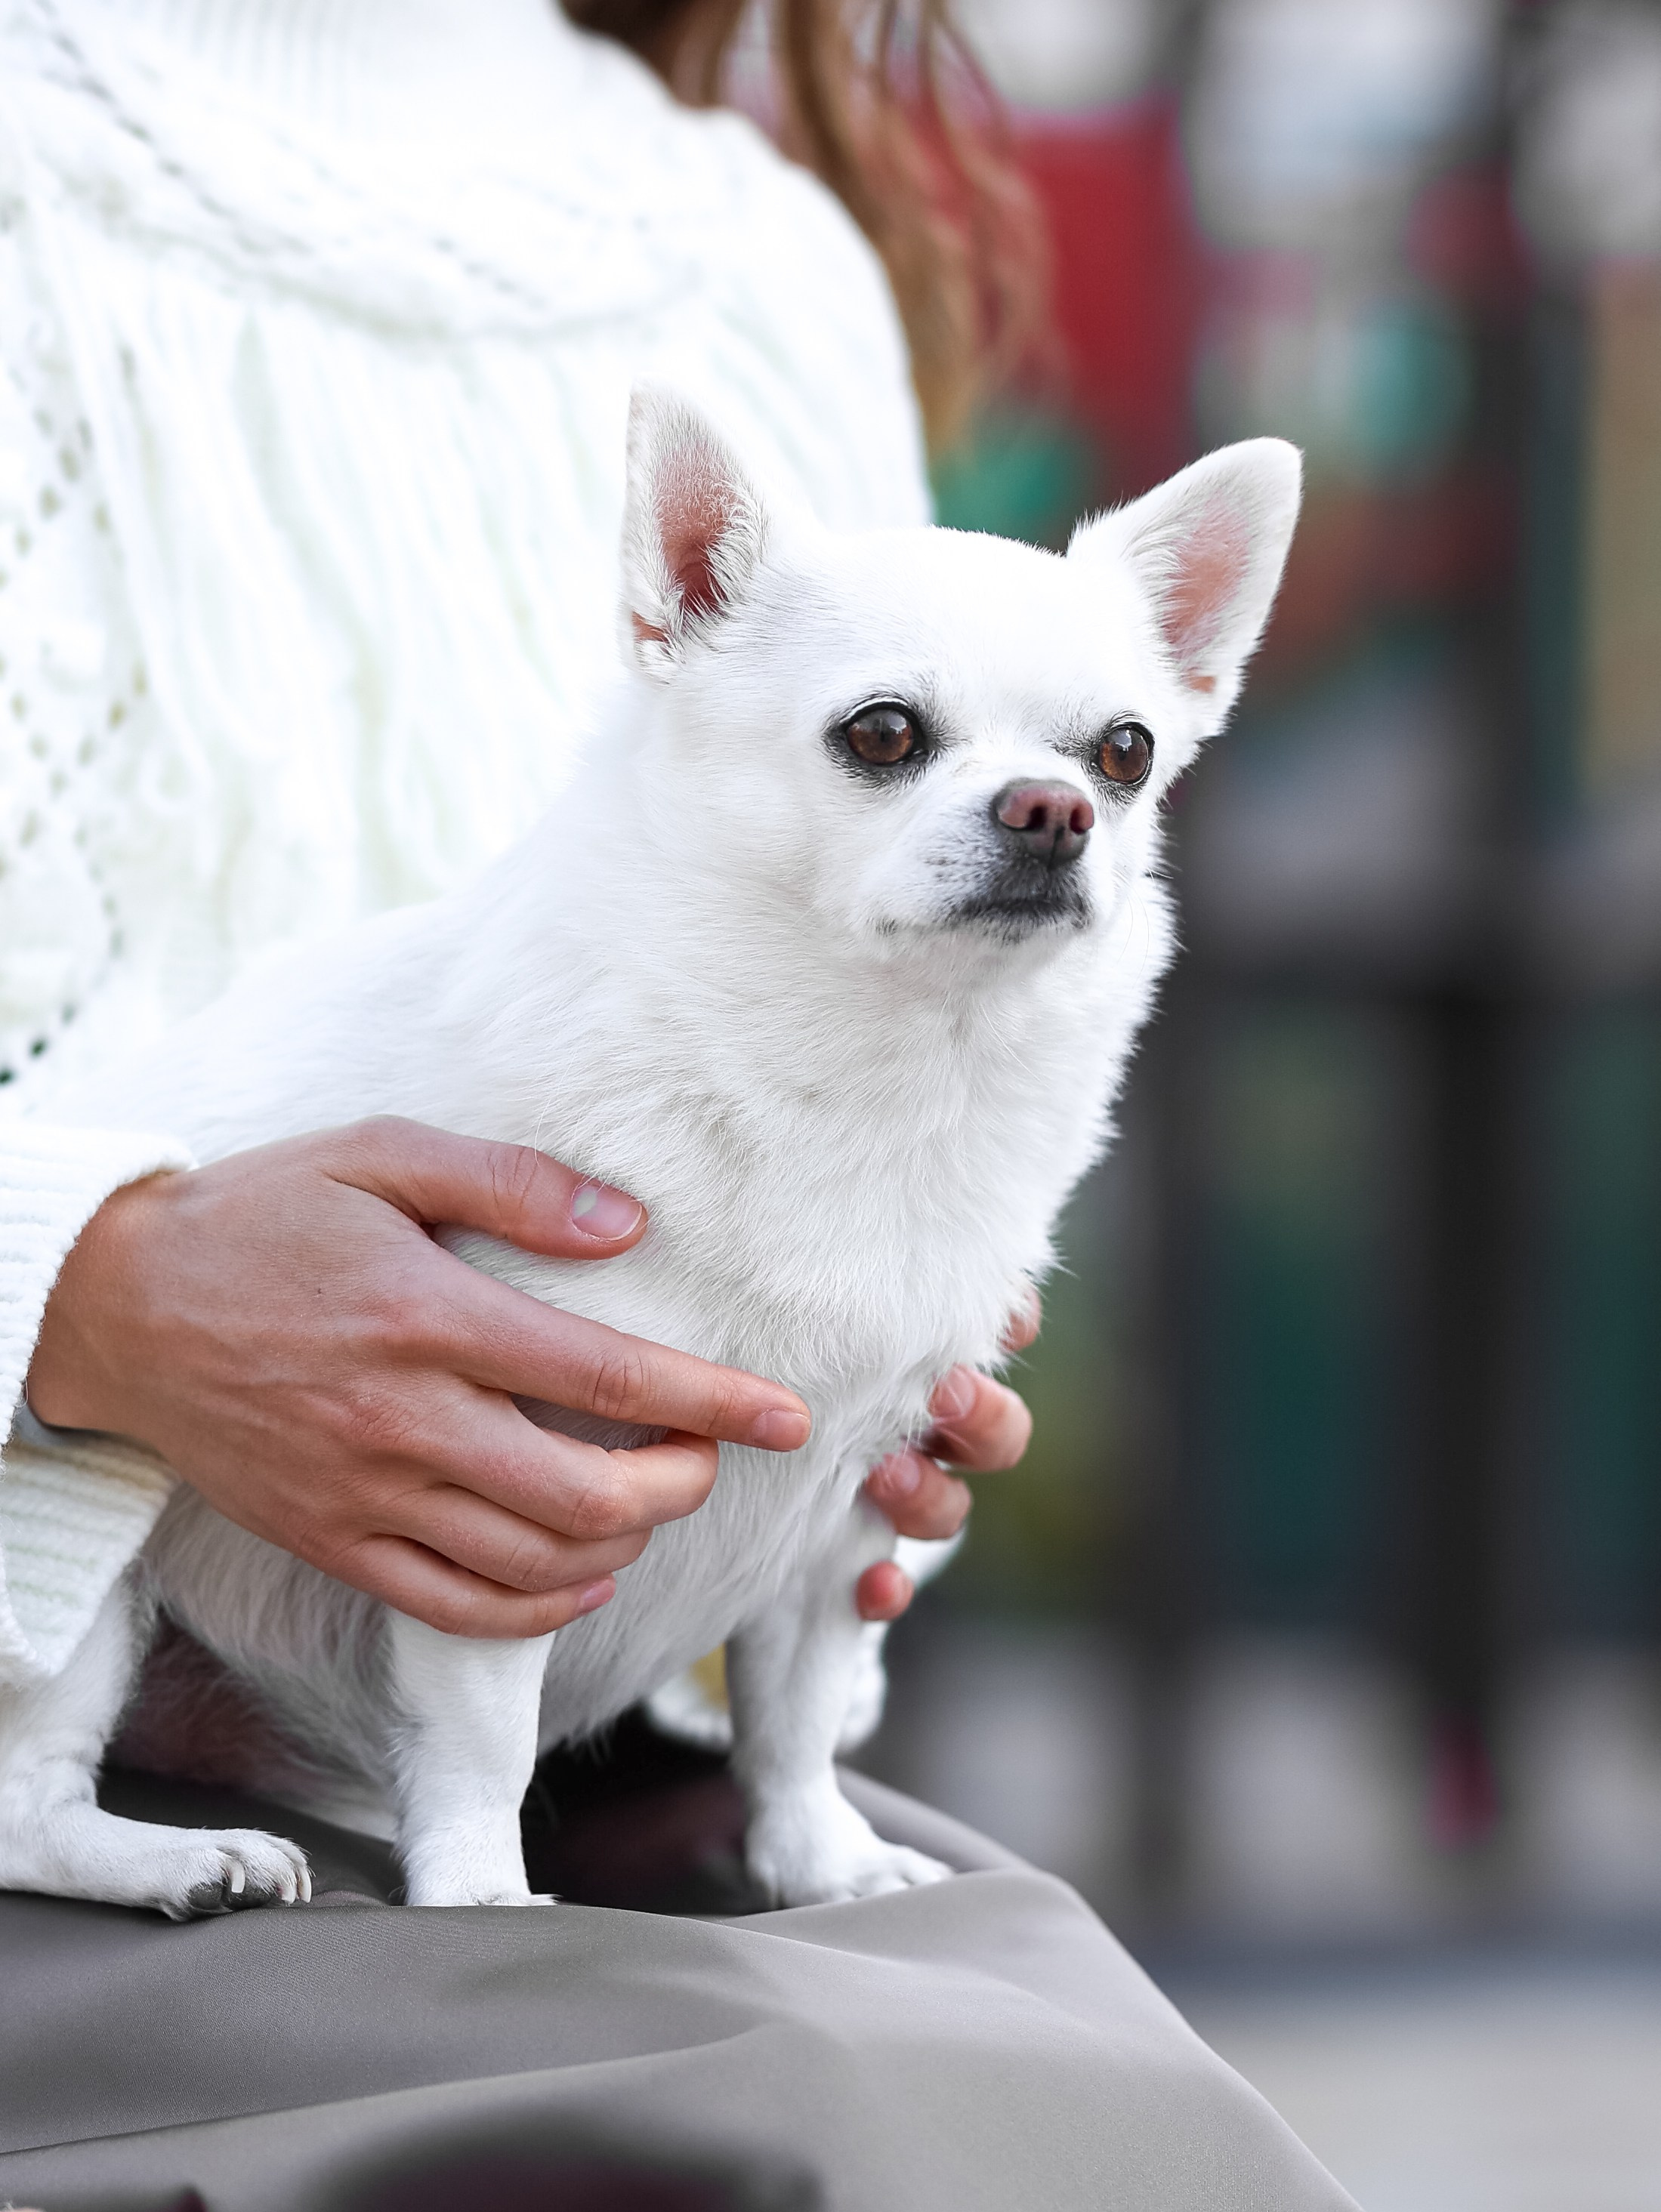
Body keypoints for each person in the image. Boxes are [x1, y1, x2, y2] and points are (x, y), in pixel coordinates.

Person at [0, 5, 1356, 2206]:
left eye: (1105, 761)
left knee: (1097, 2125)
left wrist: (823, 1480)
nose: (1038, 801)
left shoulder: (767, 254)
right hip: (118, 1679)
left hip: (577, 1751)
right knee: (823, 2128)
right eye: (896, 738)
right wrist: (85, 1296)